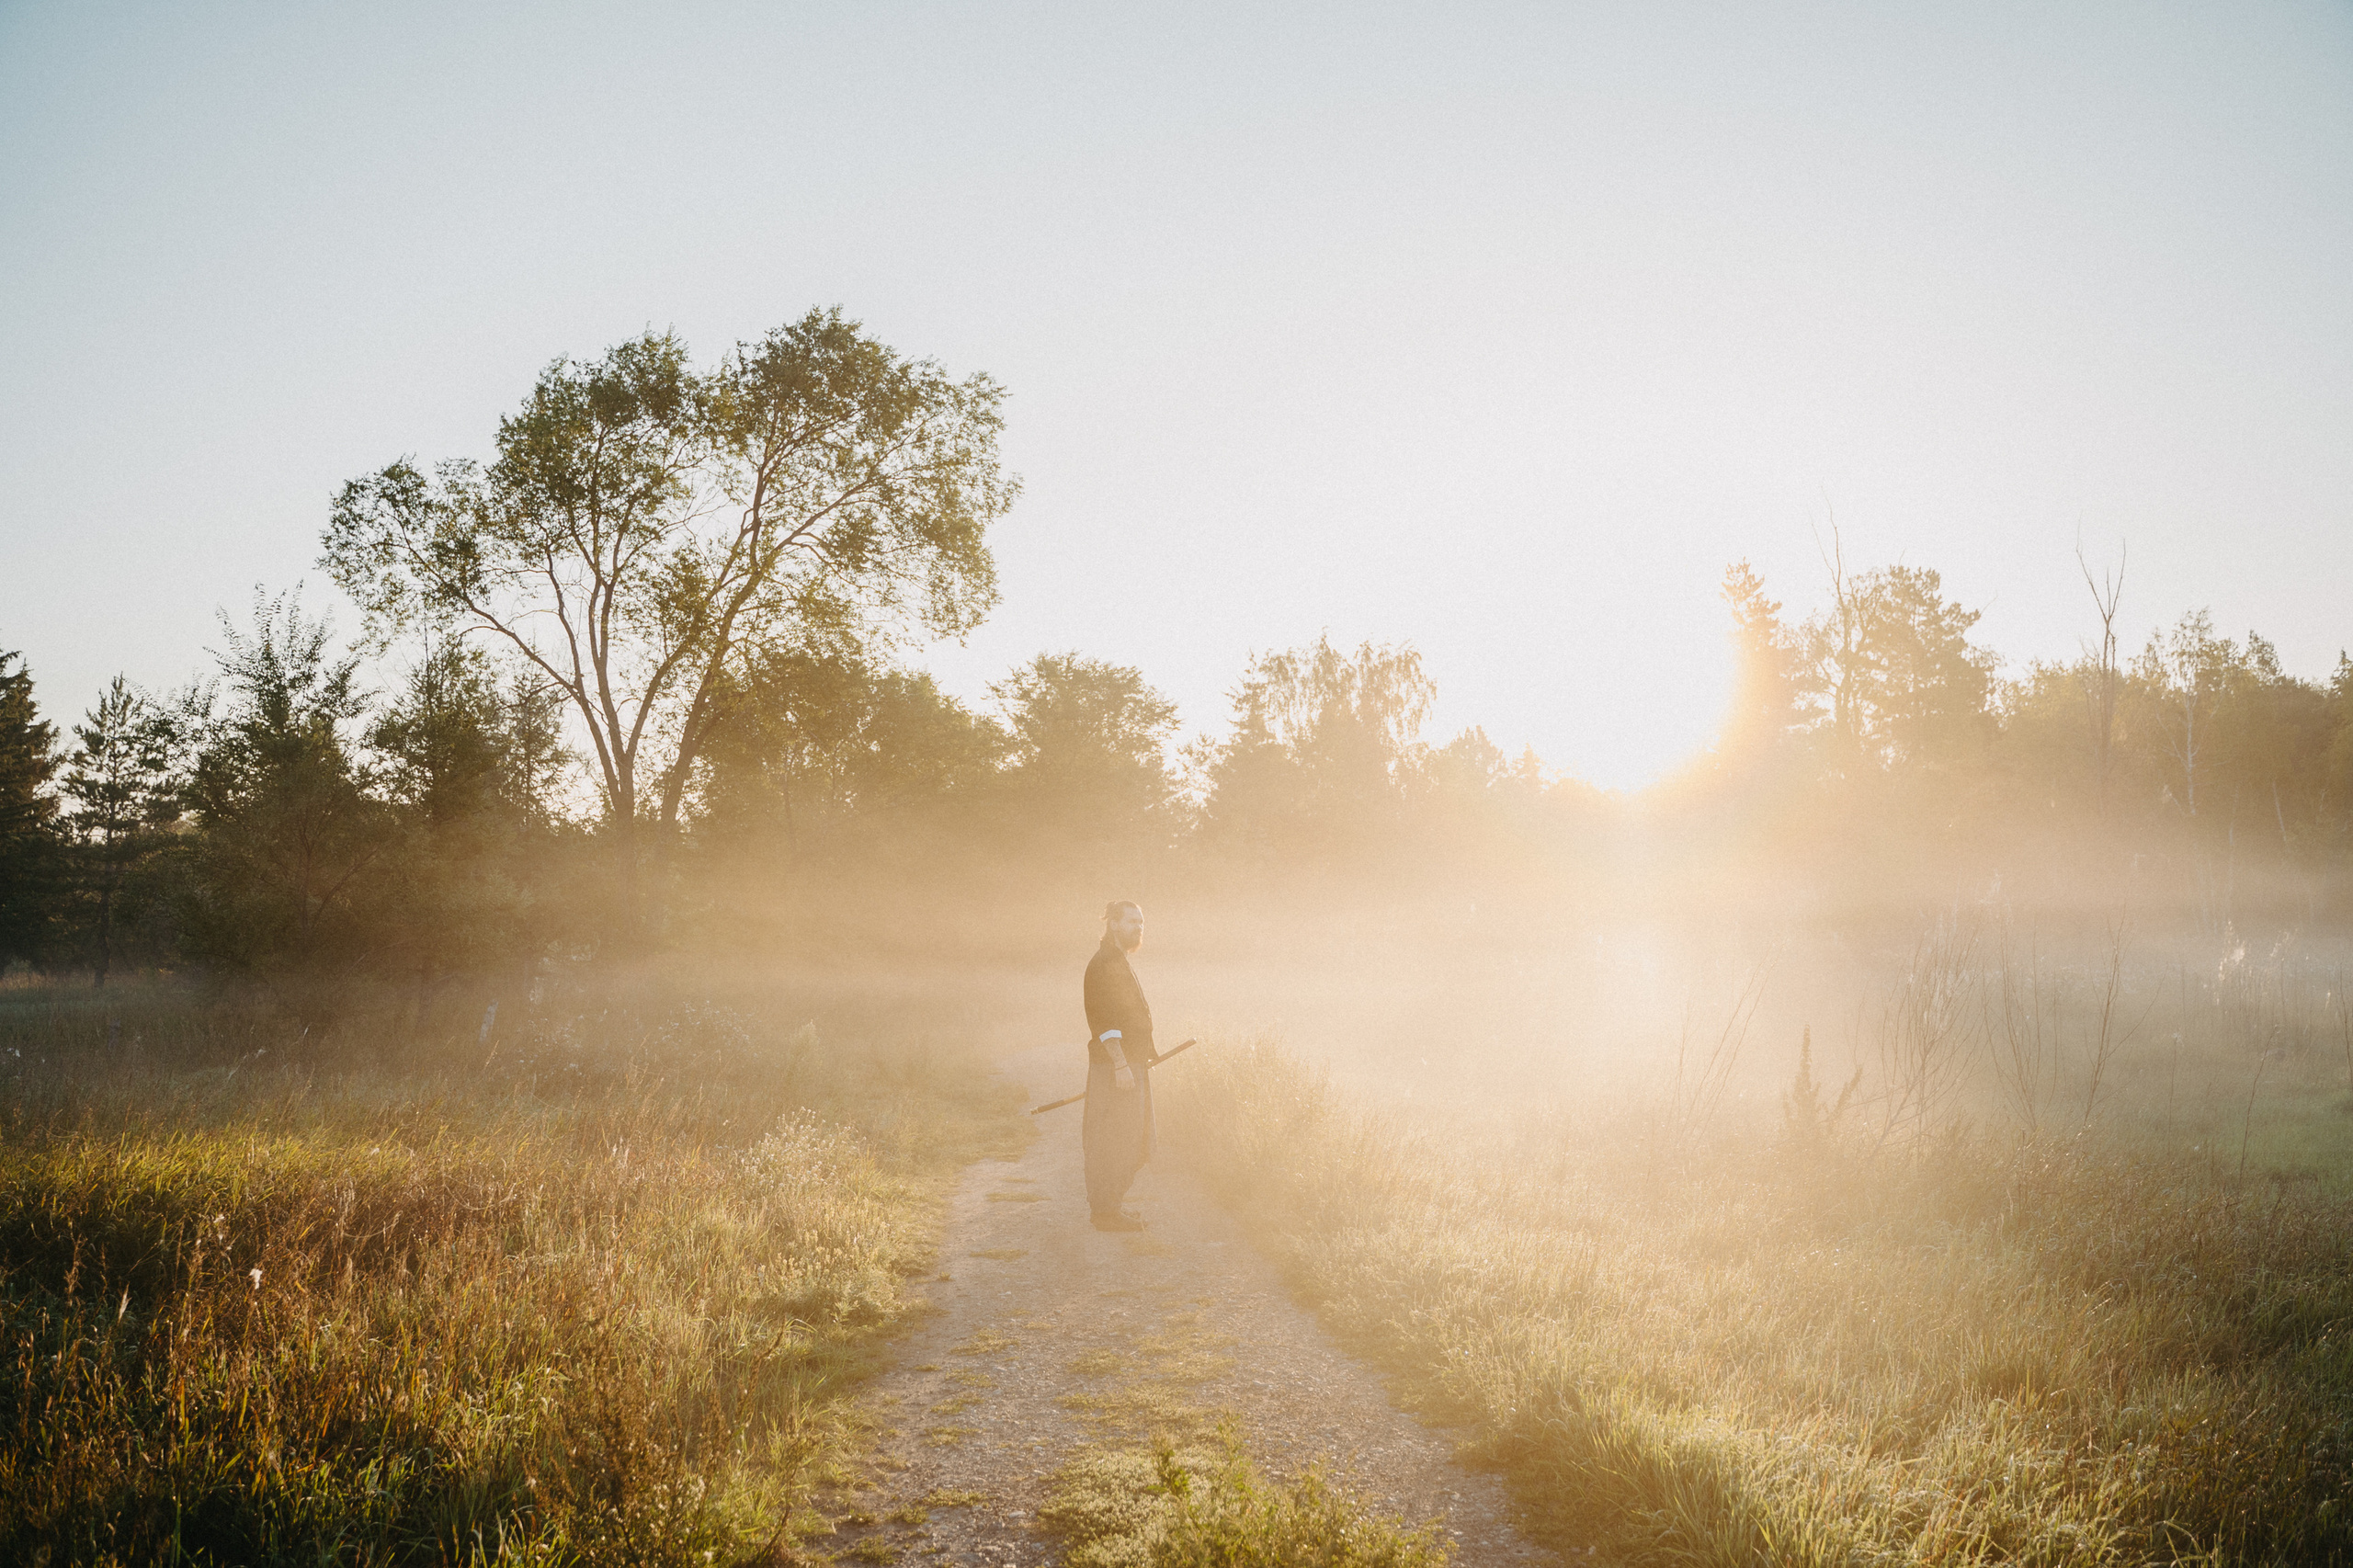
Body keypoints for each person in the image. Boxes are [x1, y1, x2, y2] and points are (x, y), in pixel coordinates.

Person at [1082, 900, 1155, 1232]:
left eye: (1141, 922)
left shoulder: (1118, 960)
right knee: (1113, 1140)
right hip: (1117, 1069)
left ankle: (1112, 1207)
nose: (1138, 928)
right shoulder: (1104, 964)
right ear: (1113, 924)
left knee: (1133, 1139)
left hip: (1130, 1065)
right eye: (1130, 922)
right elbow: (1105, 1022)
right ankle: (1106, 1213)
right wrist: (1121, 1065)